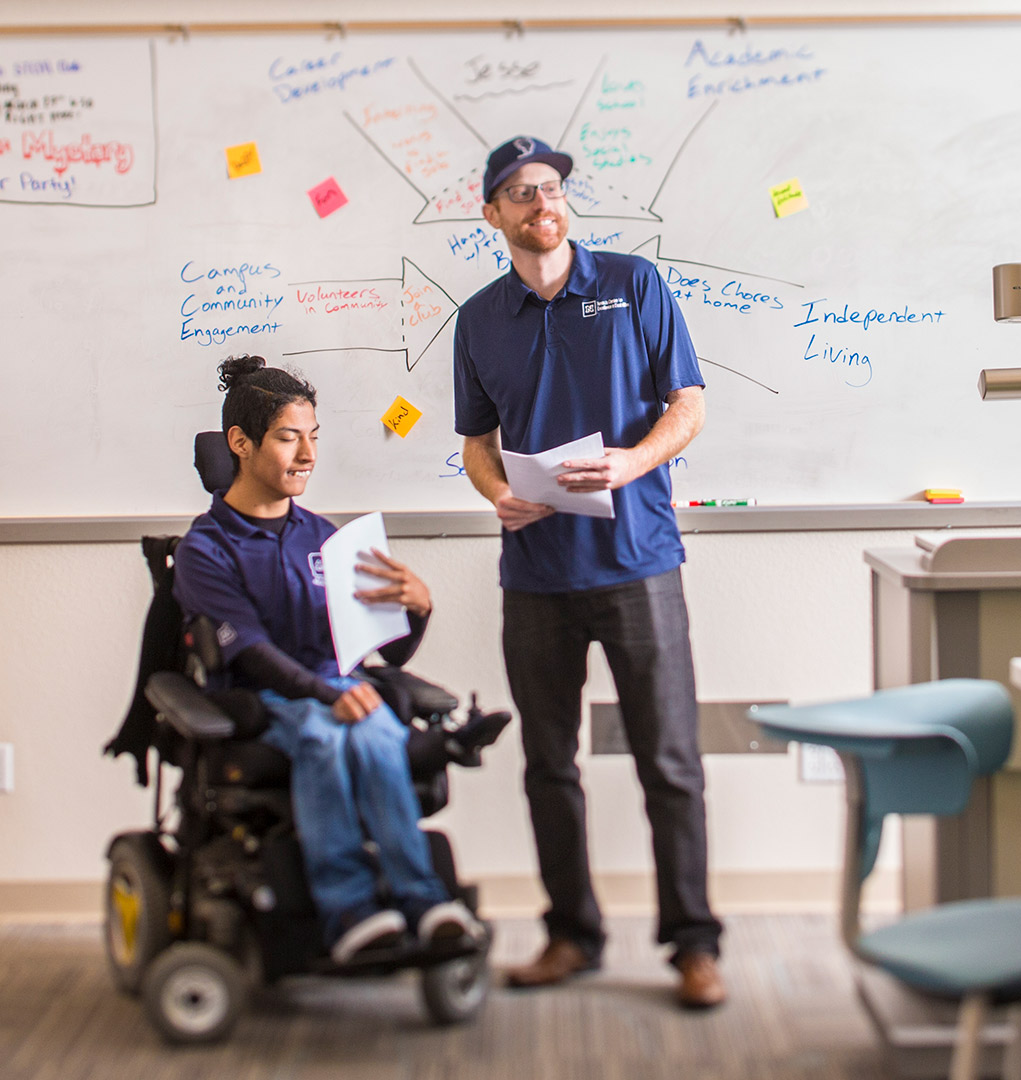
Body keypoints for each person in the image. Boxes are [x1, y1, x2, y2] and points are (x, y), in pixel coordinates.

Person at [452, 136, 724, 1007]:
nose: (544, 204)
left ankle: (693, 944)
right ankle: (571, 933)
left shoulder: (635, 284)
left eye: (553, 188)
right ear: (492, 213)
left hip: (639, 562)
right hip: (536, 574)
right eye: (522, 194)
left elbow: (689, 404)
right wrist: (497, 493)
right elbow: (475, 443)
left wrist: (632, 463)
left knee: (669, 761)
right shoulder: (479, 319)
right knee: (547, 765)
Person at [172, 356, 491, 965]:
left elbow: (378, 652)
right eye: (289, 438)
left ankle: (425, 905)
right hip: (265, 699)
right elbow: (254, 654)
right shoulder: (204, 549)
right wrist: (327, 695)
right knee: (323, 734)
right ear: (239, 443)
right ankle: (348, 911)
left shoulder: (327, 540)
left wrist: (417, 610)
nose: (307, 455)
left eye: (313, 437)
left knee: (376, 734)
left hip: (335, 684)